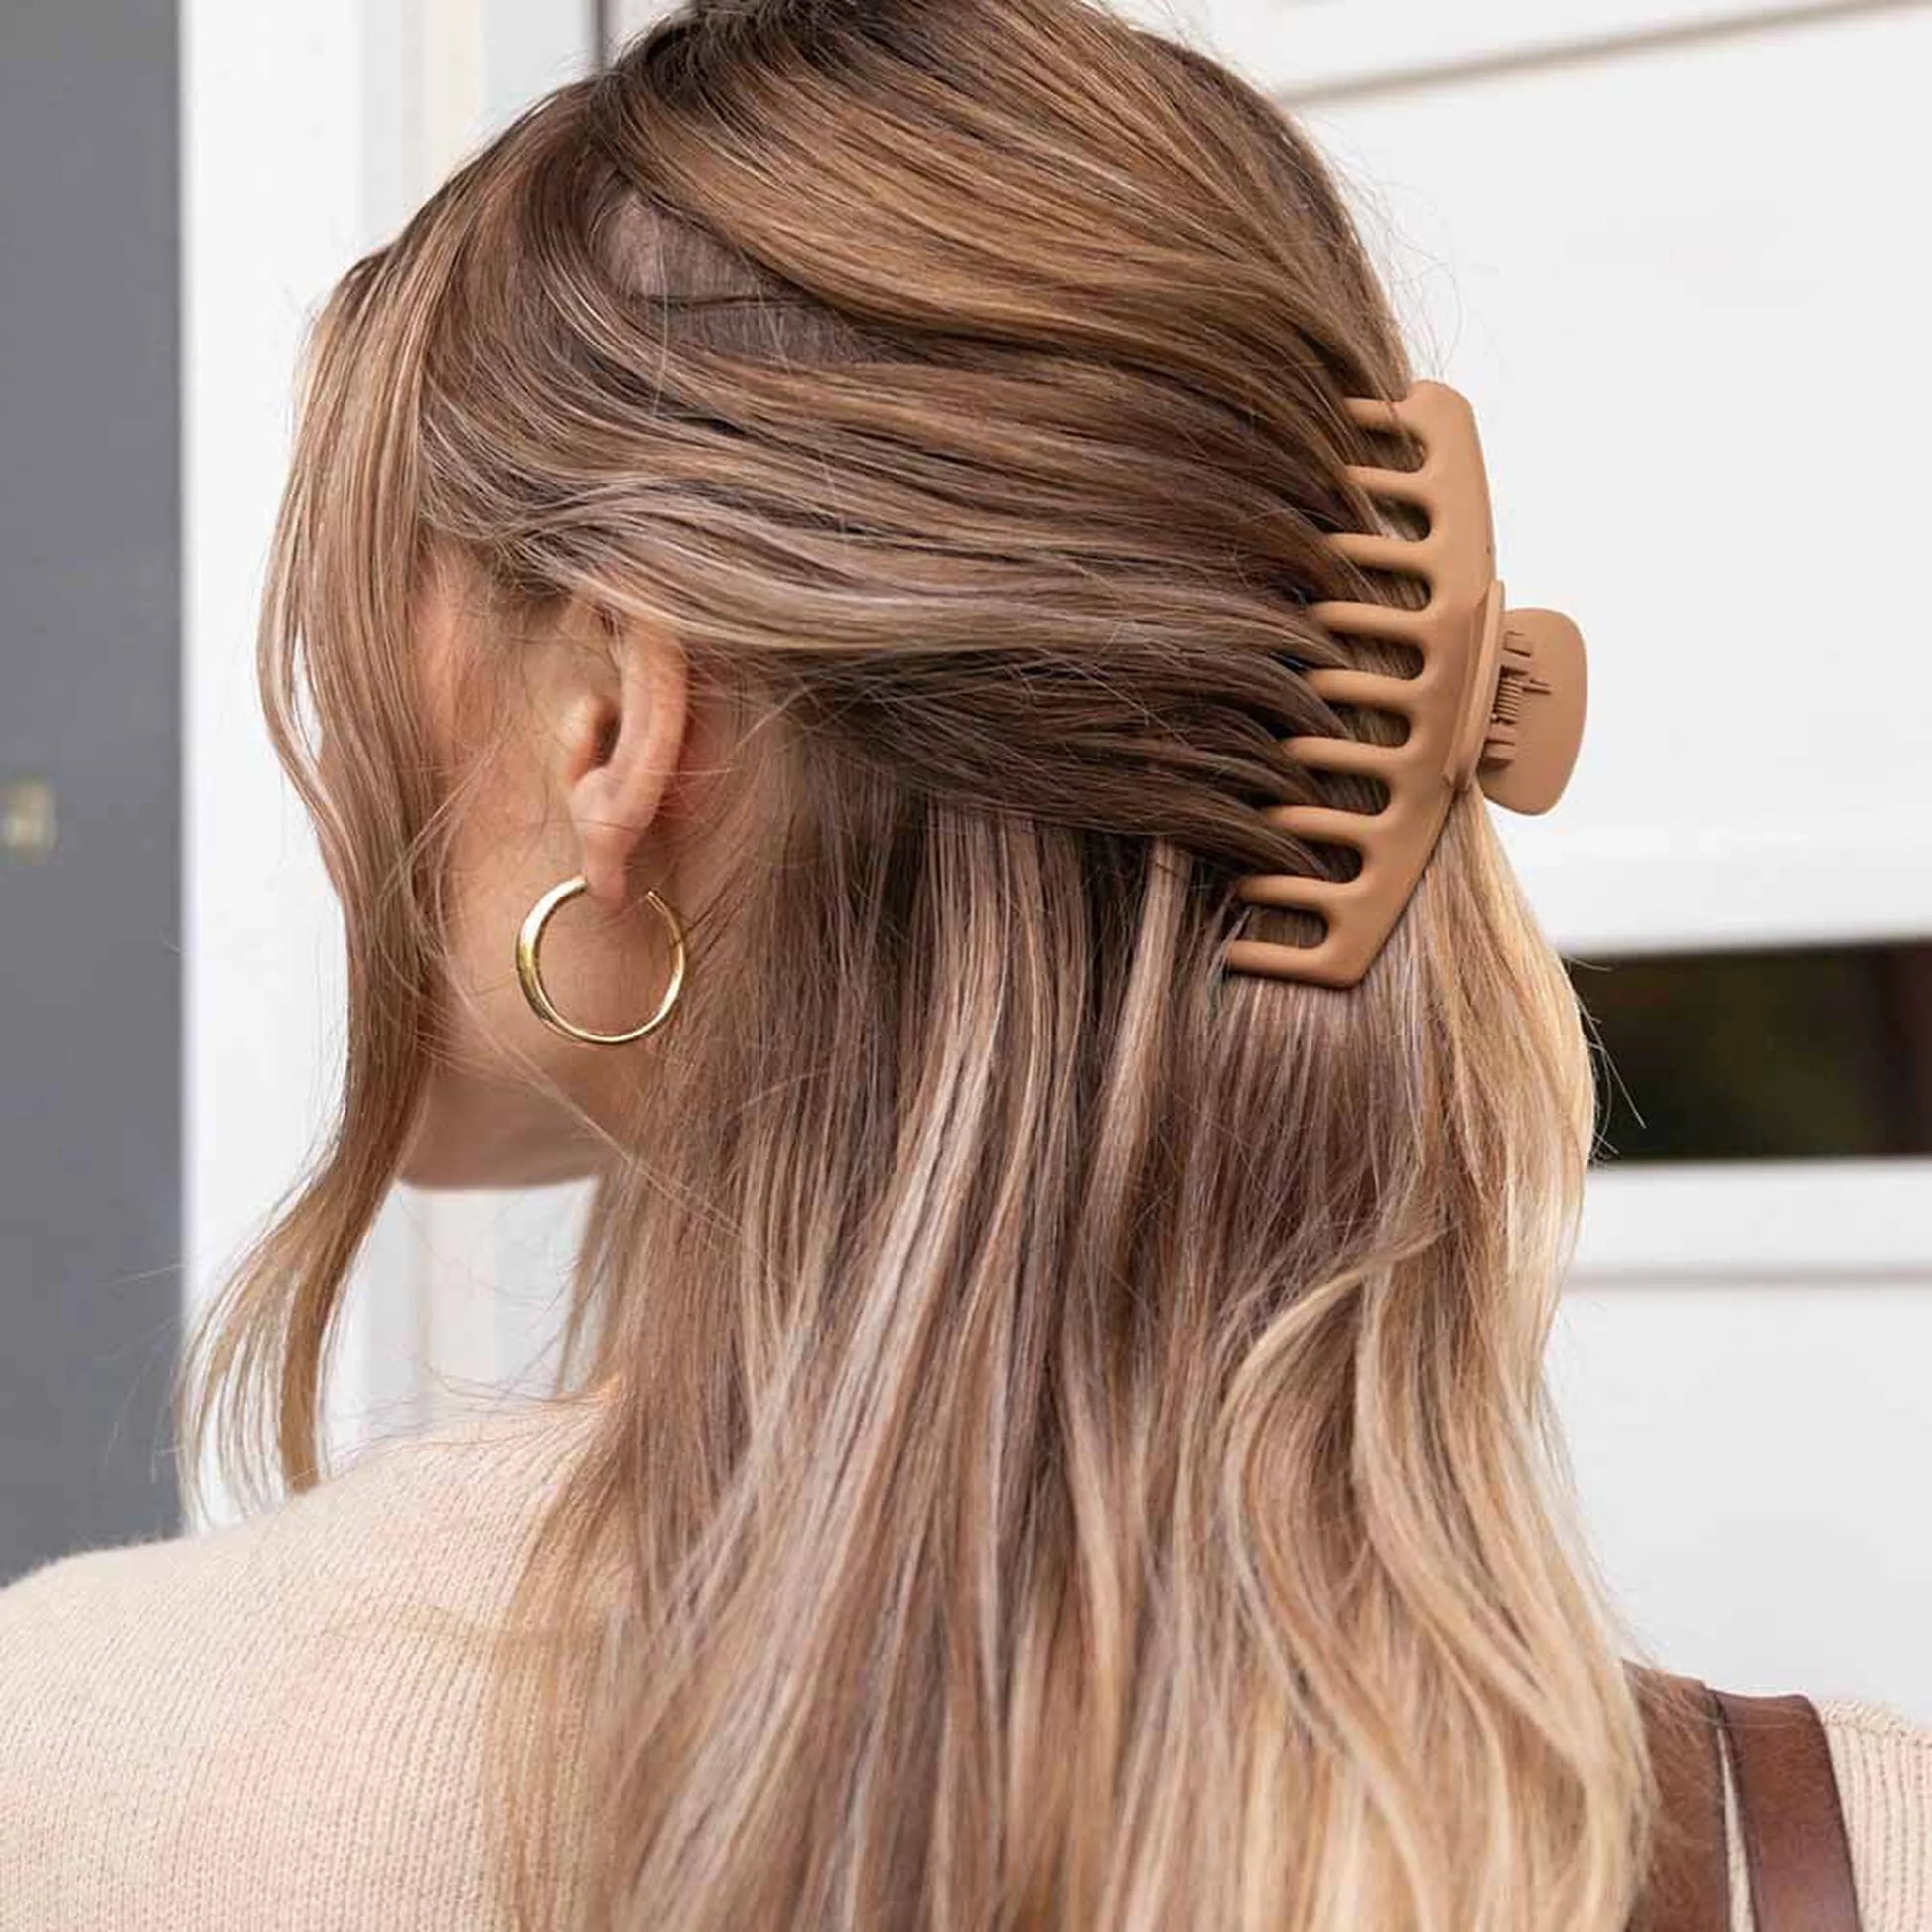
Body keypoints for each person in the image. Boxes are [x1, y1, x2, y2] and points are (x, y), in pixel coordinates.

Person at [2, 1, 1926, 1927]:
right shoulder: (1854, 1841)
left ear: (612, 728)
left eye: (358, 649)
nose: (339, 770)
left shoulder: (84, 1763)